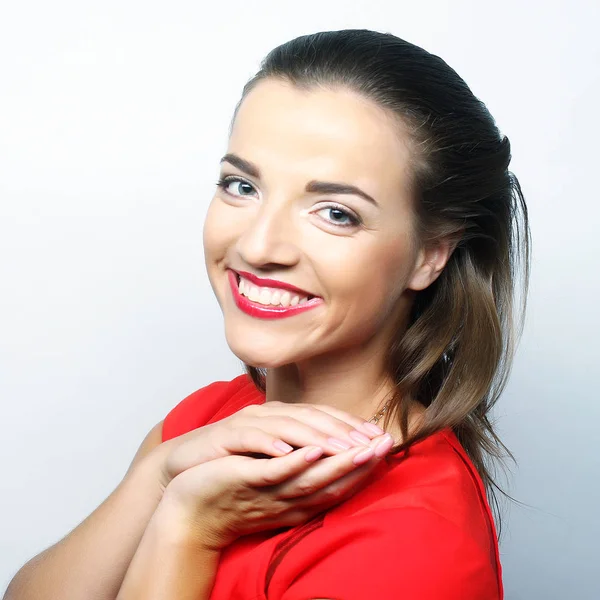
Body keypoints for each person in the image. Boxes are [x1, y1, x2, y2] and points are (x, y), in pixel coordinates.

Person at [5, 29, 530, 600]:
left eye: (336, 212)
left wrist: (186, 528)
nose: (258, 246)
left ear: (430, 255)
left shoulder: (413, 544)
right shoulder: (208, 419)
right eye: (242, 185)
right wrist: (157, 477)